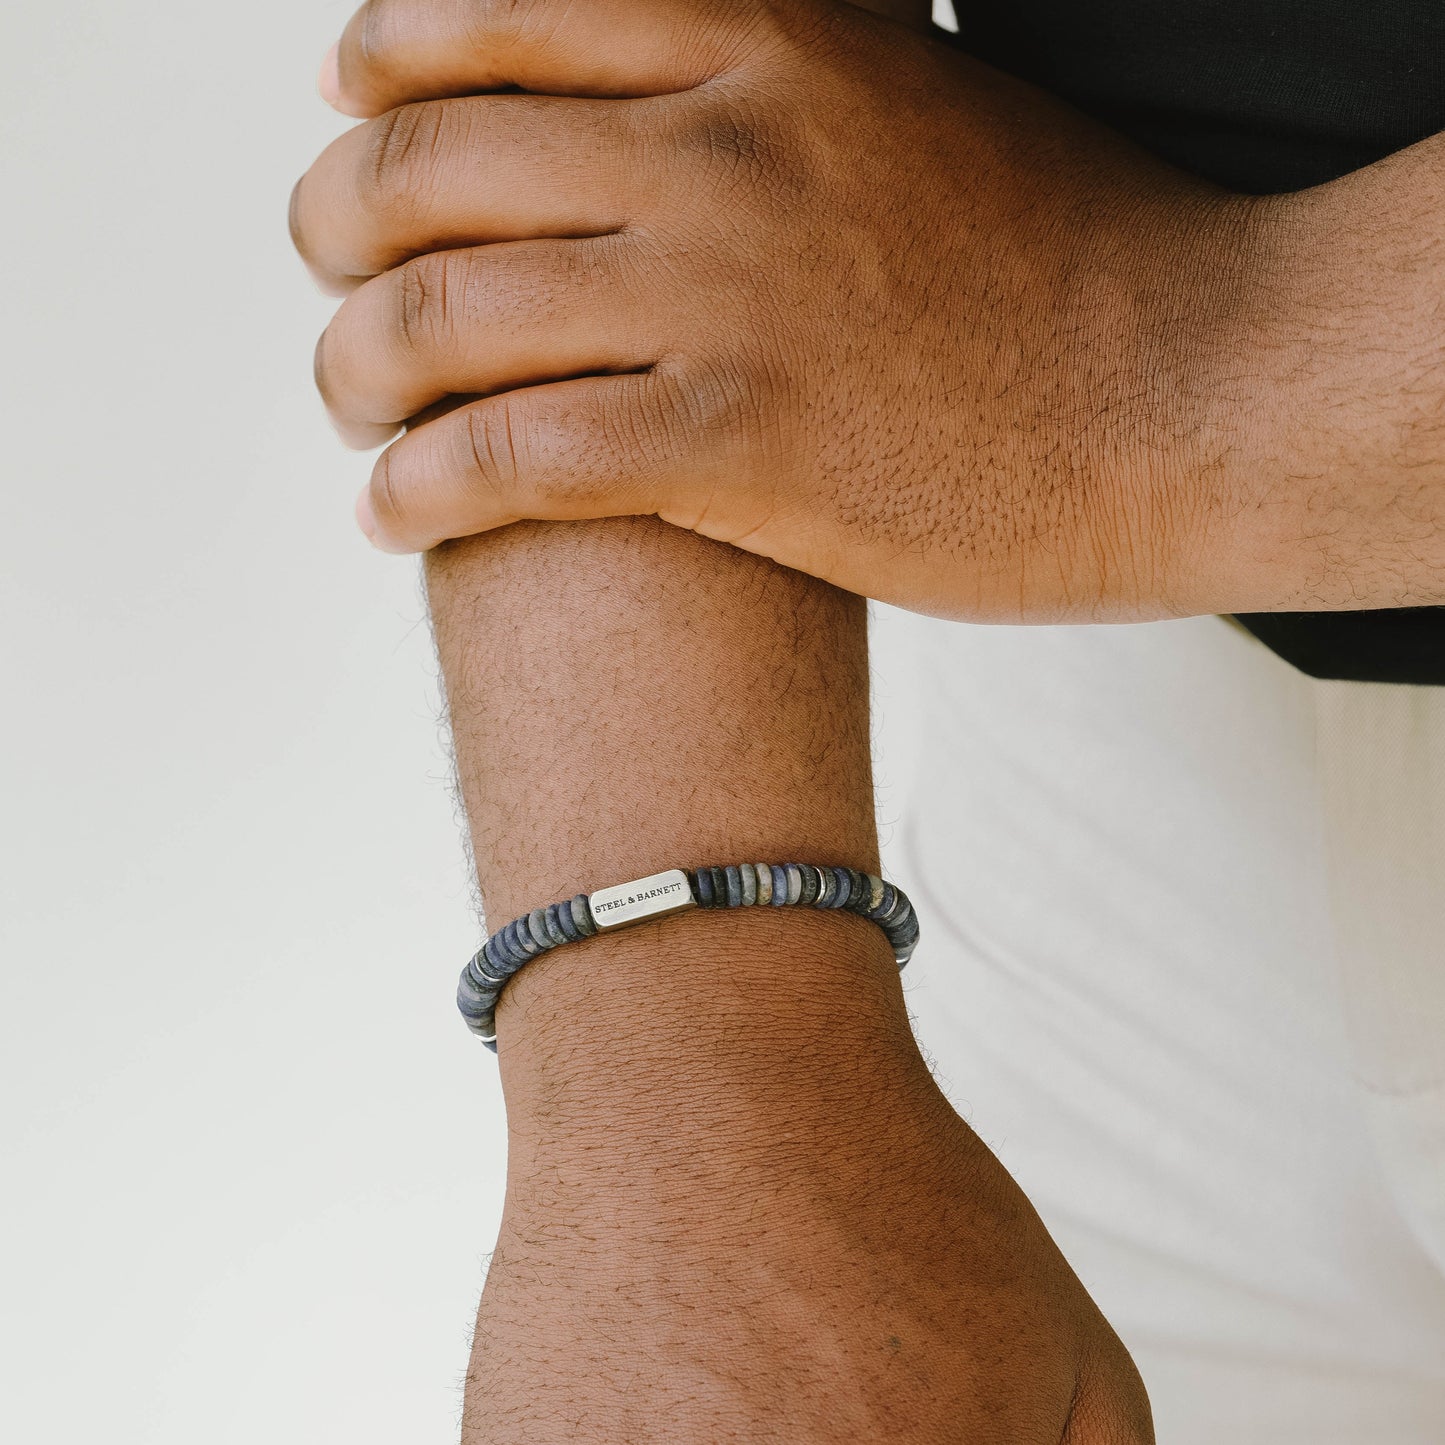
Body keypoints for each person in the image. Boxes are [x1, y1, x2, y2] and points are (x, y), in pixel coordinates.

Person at [289, 0, 1444, 1438]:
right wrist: (698, 1051)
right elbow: (600, 65)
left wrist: (1181, 374)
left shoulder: (1114, 393)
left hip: (1087, 458)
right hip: (1127, 754)